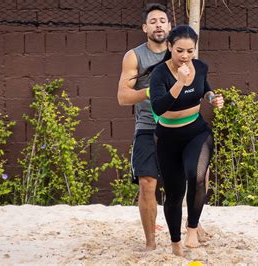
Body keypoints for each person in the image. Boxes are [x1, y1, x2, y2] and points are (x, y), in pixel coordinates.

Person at [148, 25, 225, 256]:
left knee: (197, 175)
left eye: (190, 51)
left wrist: (213, 98)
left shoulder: (200, 67)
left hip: (196, 132)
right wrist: (179, 82)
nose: (185, 56)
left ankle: (192, 228)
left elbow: (205, 89)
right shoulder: (159, 74)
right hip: (168, 137)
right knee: (174, 193)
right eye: (180, 50)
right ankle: (175, 243)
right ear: (170, 46)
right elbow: (158, 108)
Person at [117, 3, 171, 251]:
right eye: (153, 21)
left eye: (162, 20)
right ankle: (151, 243)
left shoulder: (181, 51)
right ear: (144, 27)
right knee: (147, 183)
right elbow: (122, 97)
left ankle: (194, 226)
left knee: (188, 179)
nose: (158, 24)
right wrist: (149, 91)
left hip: (178, 126)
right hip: (147, 126)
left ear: (169, 26)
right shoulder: (134, 56)